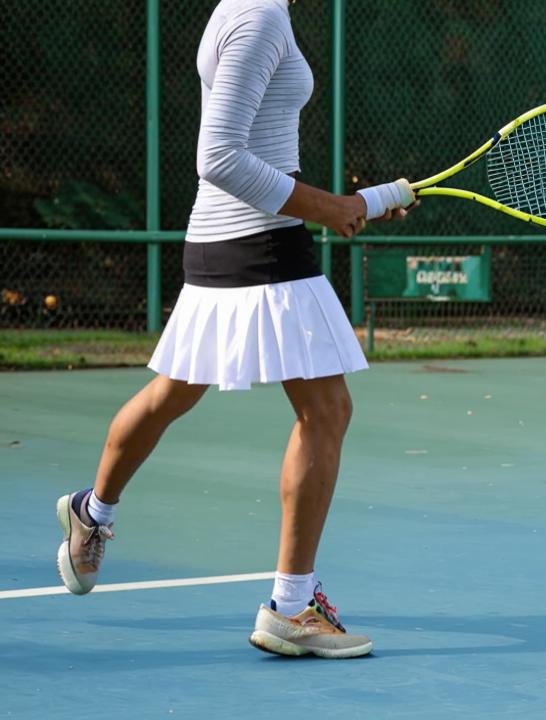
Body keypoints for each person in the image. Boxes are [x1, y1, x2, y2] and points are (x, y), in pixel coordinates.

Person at [53, 0, 415, 659]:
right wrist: (330, 207)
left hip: (226, 238)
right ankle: (291, 606)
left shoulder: (244, 8)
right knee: (327, 410)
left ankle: (92, 512)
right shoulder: (258, 17)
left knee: (174, 392)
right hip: (258, 242)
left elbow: (257, 147)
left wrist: (360, 200)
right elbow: (218, 156)